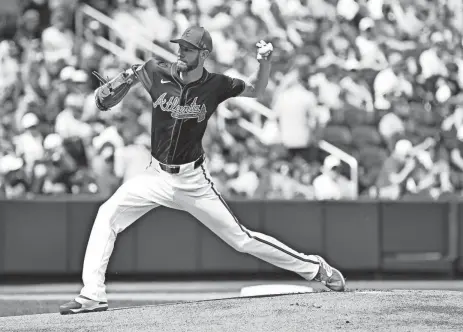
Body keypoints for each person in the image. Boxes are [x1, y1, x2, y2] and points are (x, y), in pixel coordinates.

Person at [59, 26, 345, 315]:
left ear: (203, 54)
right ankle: (92, 295)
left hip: (191, 181)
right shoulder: (155, 70)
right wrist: (122, 80)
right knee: (107, 214)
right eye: (179, 46)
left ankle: (315, 267)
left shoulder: (216, 84)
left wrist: (265, 63)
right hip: (155, 176)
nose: (180, 52)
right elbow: (109, 93)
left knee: (241, 239)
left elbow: (257, 90)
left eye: (187, 48)